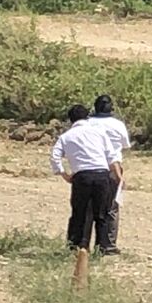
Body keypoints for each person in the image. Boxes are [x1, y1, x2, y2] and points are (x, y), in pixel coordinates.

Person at [50, 102, 122, 257]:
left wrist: (64, 174)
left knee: (80, 213)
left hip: (82, 177)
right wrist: (118, 176)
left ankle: (77, 247)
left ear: (70, 120)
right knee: (102, 214)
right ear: (87, 116)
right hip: (102, 175)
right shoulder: (99, 132)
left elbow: (55, 157)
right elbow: (112, 155)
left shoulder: (66, 136)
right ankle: (102, 248)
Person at [87, 94, 131, 255]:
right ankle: (107, 245)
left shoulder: (87, 123)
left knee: (89, 208)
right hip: (113, 169)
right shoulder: (118, 125)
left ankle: (83, 244)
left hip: (90, 167)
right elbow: (125, 145)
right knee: (111, 208)